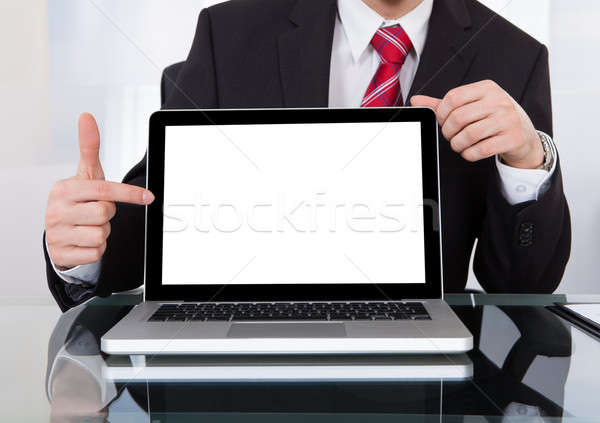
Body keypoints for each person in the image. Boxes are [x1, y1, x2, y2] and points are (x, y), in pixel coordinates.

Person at [44, 0, 571, 311]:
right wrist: (81, 253)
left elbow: (523, 290)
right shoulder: (229, 34)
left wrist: (528, 161)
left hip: (424, 370)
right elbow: (147, 223)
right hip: (242, 371)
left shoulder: (514, 56)